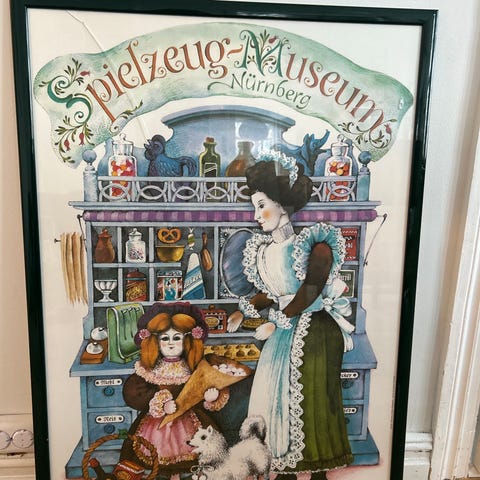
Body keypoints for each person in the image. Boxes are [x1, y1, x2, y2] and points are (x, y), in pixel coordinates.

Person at [228, 154, 354, 479]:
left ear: (282, 205)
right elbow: (274, 291)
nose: (256, 216)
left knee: (308, 403)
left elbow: (309, 291)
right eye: (254, 208)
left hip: (314, 333)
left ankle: (316, 470)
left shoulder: (314, 246)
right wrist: (245, 309)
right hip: (283, 331)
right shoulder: (264, 251)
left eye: (261, 206)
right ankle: (282, 467)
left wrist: (276, 320)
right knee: (273, 398)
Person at [120, 302, 229, 479]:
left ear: (187, 340)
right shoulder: (151, 369)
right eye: (165, 339)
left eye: (176, 338)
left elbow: (201, 390)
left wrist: (211, 397)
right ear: (155, 342)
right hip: (157, 425)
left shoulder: (193, 367)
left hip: (189, 421)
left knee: (197, 454)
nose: (171, 343)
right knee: (158, 455)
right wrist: (161, 405)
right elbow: (134, 394)